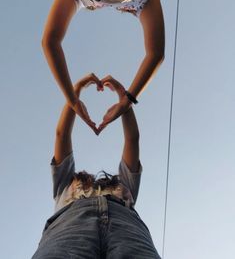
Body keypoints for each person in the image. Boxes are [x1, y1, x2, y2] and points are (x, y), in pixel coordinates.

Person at [41, 0, 181, 133]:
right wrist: (73, 100)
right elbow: (49, 42)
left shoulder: (140, 1)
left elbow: (156, 55)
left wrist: (127, 99)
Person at [32, 74, 161, 259]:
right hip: (69, 228)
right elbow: (62, 134)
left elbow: (132, 139)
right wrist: (75, 93)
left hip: (126, 228)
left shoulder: (124, 186)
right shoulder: (64, 185)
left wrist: (123, 99)